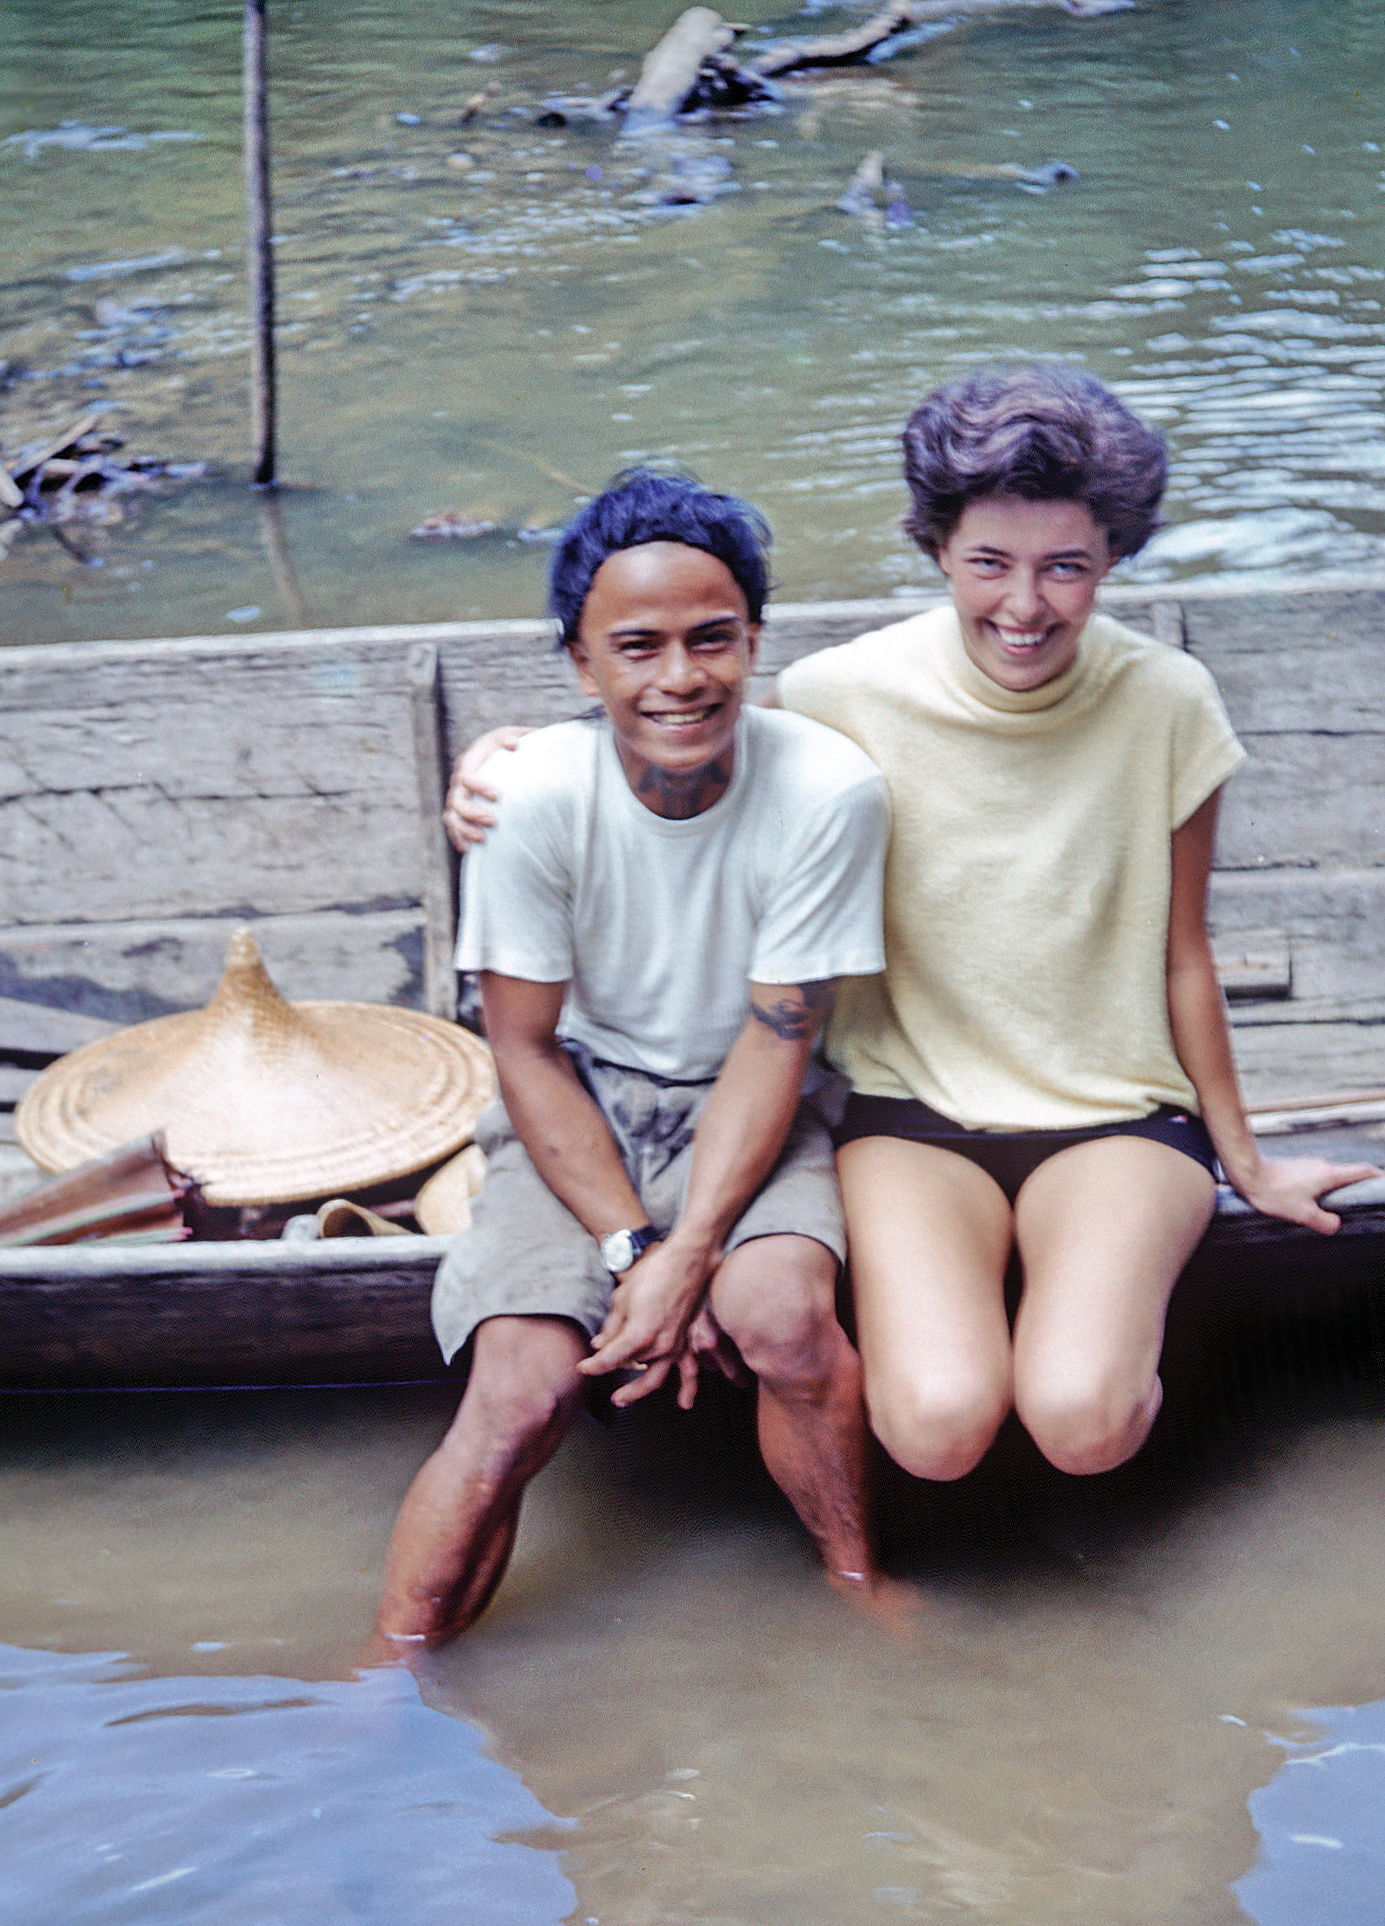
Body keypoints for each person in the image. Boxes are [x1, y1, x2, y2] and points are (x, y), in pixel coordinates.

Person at [441, 366, 1374, 1497]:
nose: (1023, 606)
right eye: (989, 564)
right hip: (906, 1117)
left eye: (1064, 568)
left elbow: (1183, 954)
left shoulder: (1169, 700)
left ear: (1111, 561)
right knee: (934, 1430)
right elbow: (670, 716)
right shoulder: (842, 693)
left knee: (1084, 1420)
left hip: (1119, 1115)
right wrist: (502, 755)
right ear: (936, 548)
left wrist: (1247, 1162)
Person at [376, 472, 891, 1650]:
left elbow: (778, 1037)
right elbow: (522, 1045)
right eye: (638, 647)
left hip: (754, 1102)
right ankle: (384, 1674)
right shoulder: (533, 797)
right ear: (580, 664)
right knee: (520, 1388)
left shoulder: (825, 790)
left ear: (754, 640)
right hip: (581, 1102)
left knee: (784, 1323)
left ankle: (860, 1593)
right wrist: (633, 1250)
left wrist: (693, 1253)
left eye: (713, 640)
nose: (679, 679)